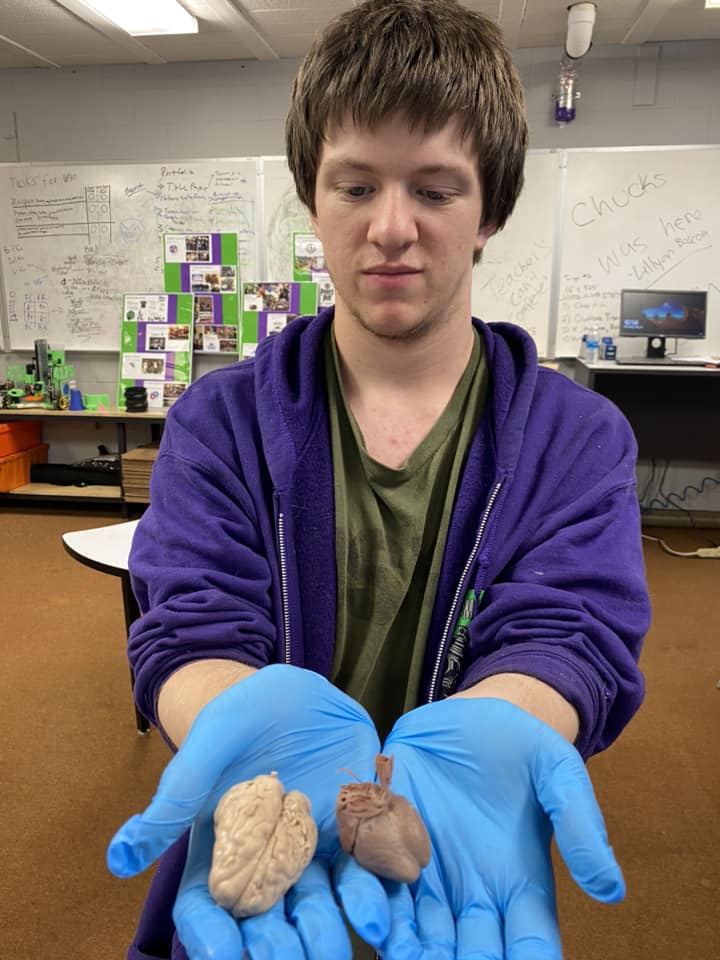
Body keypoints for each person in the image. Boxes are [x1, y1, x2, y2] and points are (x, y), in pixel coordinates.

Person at [106, 2, 651, 958]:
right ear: (312, 201)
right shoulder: (218, 422)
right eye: (355, 186)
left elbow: (570, 632)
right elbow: (188, 619)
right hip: (259, 864)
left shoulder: (578, 438)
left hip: (460, 855)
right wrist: (250, 734)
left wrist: (493, 729)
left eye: (436, 191)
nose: (390, 228)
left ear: (493, 211)